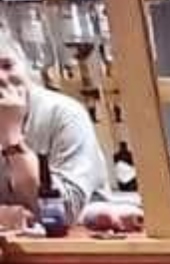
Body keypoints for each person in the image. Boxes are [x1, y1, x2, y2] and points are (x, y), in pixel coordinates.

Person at [0, 24, 106, 228]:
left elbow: (62, 213)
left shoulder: (64, 113)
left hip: (77, 250)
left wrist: (12, 138)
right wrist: (9, 216)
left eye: (6, 65)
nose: (1, 78)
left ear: (25, 67)